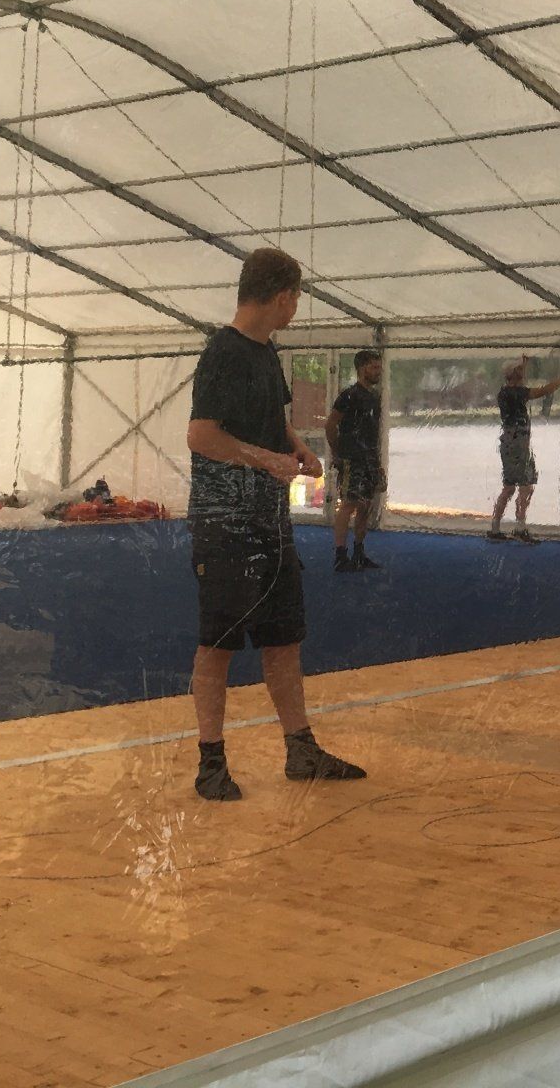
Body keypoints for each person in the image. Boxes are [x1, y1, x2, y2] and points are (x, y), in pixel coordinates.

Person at [185, 247, 366, 801]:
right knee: (218, 643)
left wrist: (298, 447)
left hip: (268, 519)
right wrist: (266, 460)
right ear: (283, 296)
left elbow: (273, 421)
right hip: (225, 522)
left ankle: (300, 749)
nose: (296, 307)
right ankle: (211, 762)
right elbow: (201, 435)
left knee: (284, 637)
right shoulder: (222, 352)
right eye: (297, 298)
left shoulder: (267, 351)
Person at [489, 354, 560, 543]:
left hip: (513, 443)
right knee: (523, 486)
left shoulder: (504, 392)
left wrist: (523, 363)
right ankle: (519, 527)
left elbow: (521, 380)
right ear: (514, 374)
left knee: (512, 486)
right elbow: (543, 391)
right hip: (518, 444)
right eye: (520, 370)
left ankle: (496, 527)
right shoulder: (516, 393)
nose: (523, 373)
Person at [325, 349, 384, 572]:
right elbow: (330, 425)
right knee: (349, 504)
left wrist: (377, 462)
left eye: (379, 367)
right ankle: (340, 556)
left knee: (365, 505)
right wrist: (338, 452)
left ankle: (359, 553)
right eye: (374, 367)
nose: (378, 371)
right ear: (362, 368)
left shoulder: (374, 397)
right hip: (352, 459)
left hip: (369, 459)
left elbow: (372, 432)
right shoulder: (348, 396)